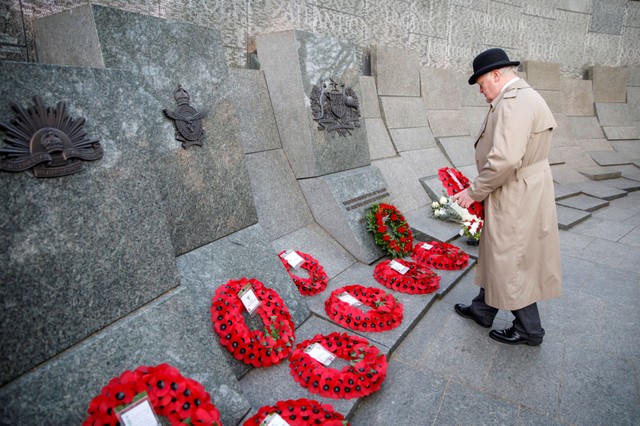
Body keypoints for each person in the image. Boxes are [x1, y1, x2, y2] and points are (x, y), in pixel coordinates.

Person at [451, 48, 562, 346]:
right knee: (501, 253)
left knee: (510, 259)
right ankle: (483, 309)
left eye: (482, 85)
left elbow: (504, 160)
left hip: (515, 191)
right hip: (524, 188)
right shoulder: (525, 96)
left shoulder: (512, 103)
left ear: (496, 76)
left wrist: (472, 192)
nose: (482, 92)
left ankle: (529, 329)